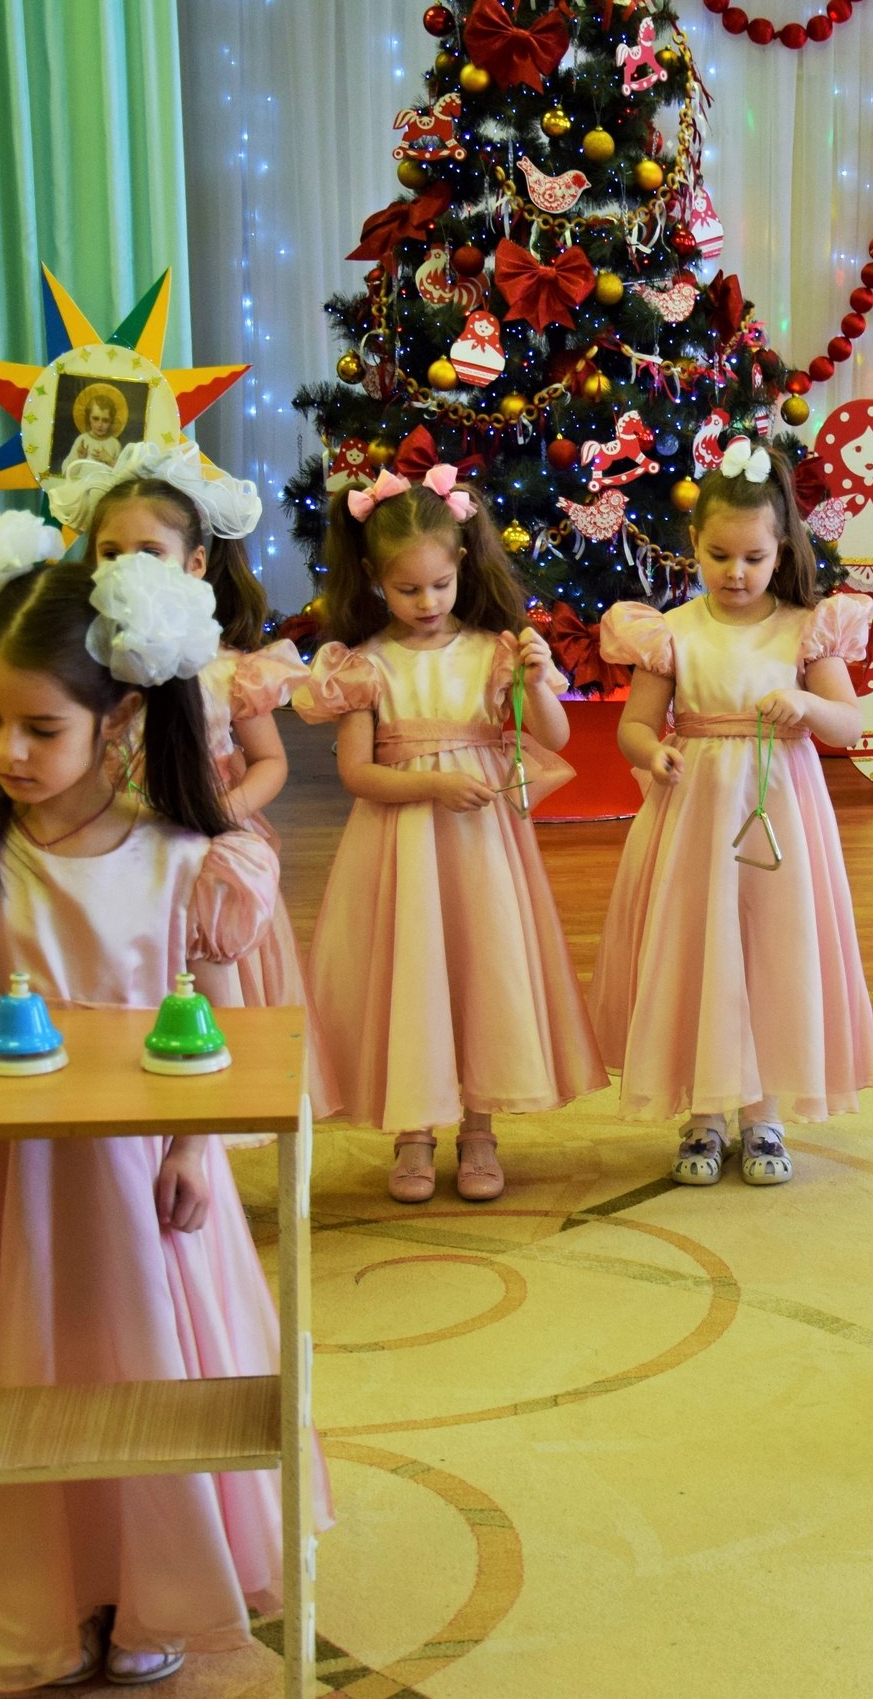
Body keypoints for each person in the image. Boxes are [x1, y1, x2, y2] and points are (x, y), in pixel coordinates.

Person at [0, 544, 314, 1691]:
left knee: (144, 1376)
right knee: (20, 1381)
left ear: (118, 719)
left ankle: (152, 1585)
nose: (9, 751)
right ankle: (35, 1594)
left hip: (142, 1178)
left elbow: (218, 1026)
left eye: (42, 727)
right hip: (9, 1179)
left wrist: (197, 1146)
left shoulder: (188, 861)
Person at [300, 459, 604, 1204]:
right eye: (408, 589)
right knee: (414, 973)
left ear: (464, 564)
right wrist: (432, 785)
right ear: (374, 579)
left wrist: (536, 676)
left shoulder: (493, 650)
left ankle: (478, 1127)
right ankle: (413, 1130)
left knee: (481, 965)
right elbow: (358, 773)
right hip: (400, 847)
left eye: (440, 584)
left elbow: (555, 737)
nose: (428, 601)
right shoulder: (364, 666)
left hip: (481, 849)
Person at [594, 438, 873, 1189]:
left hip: (780, 813)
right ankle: (703, 1114)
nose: (736, 572)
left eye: (754, 557)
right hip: (694, 814)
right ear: (693, 543)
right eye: (718, 555)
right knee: (702, 947)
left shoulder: (807, 627)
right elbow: (634, 725)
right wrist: (649, 752)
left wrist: (808, 704)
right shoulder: (672, 632)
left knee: (771, 946)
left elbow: (851, 725)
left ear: (780, 547)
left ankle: (763, 1113)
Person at [55, 440, 308, 1014]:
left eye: (150, 551)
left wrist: (224, 811)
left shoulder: (228, 669)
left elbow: (270, 762)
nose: (129, 568)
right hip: (113, 845)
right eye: (111, 553)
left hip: (206, 851)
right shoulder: (85, 668)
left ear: (195, 564)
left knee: (209, 979)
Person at [62, 383, 126, 473]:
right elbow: (67, 472)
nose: (100, 425)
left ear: (111, 422)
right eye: (95, 419)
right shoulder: (82, 440)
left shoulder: (115, 444)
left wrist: (109, 460)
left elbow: (122, 473)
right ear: (88, 418)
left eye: (105, 420)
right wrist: (80, 458)